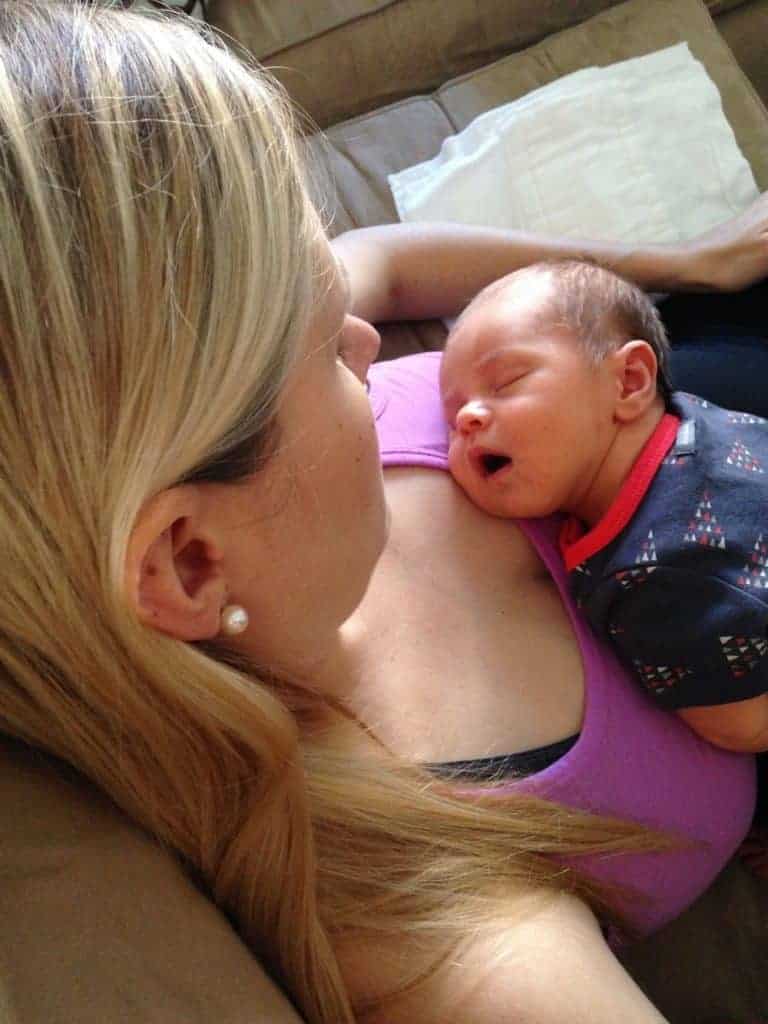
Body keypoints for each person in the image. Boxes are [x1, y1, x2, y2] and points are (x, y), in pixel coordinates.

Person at [1, 4, 767, 1023]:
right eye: (327, 345)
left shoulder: (247, 446)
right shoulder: (413, 896)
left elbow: (382, 257)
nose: (373, 340)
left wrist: (674, 263)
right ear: (189, 562)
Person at [439, 259, 768, 755]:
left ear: (629, 381)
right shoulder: (698, 417)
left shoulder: (651, 577)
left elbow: (742, 725)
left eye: (506, 382)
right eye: (450, 417)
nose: (465, 417)